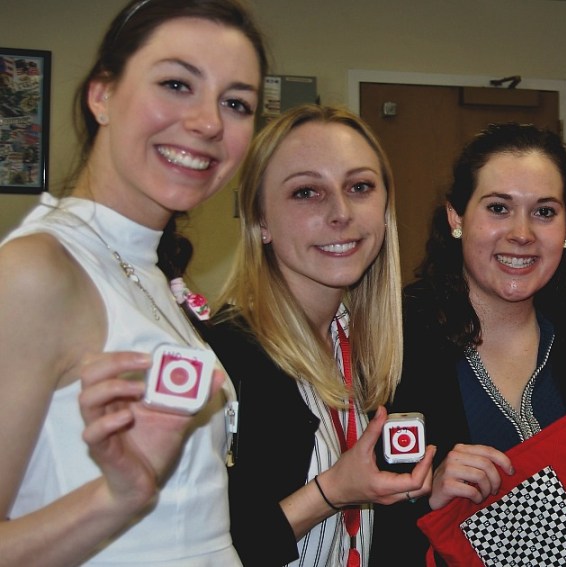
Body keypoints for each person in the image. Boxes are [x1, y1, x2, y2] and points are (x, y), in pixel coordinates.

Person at [0, 1, 267, 565]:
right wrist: (117, 498)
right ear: (103, 95)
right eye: (176, 83)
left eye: (236, 103)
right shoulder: (36, 272)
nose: (209, 122)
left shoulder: (145, 268)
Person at [201, 104, 436, 566]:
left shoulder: (357, 343)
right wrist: (331, 492)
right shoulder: (223, 358)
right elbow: (207, 552)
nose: (341, 213)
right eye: (307, 192)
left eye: (360, 187)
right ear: (261, 222)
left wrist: (427, 492)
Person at [368, 122, 566, 566]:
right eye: (498, 208)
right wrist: (425, 492)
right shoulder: (393, 340)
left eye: (545, 211)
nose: (522, 233)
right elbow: (347, 513)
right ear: (456, 217)